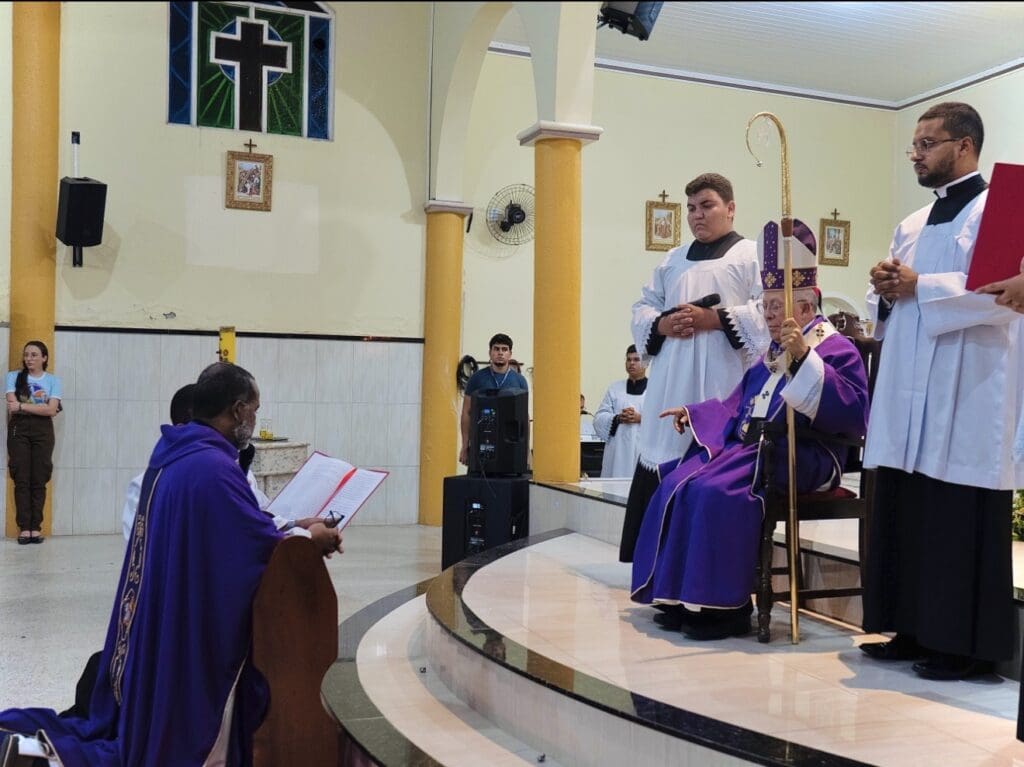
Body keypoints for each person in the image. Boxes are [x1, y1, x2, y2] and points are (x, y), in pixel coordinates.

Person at [0, 362, 342, 765]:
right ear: (237, 410)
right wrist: (310, 540)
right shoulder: (214, 469)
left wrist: (292, 526)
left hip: (166, 606)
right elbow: (253, 547)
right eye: (254, 409)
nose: (254, 418)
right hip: (190, 622)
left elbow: (239, 525)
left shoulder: (177, 455)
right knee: (178, 738)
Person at [630, 220, 868, 640]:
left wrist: (804, 360)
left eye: (778, 306)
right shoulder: (771, 352)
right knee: (678, 481)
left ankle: (725, 610)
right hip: (760, 448)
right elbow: (737, 404)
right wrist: (694, 411)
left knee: (715, 491)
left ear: (807, 308)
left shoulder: (836, 349)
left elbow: (852, 414)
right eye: (768, 306)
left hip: (804, 454)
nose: (770, 315)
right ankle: (680, 597)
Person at [860, 102, 1024, 681]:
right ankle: (909, 629)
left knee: (955, 516)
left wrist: (918, 286)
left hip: (970, 383)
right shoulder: (910, 223)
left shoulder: (1005, 206)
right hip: (908, 387)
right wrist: (884, 288)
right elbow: (889, 304)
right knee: (908, 507)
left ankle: (961, 646)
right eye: (915, 144)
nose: (916, 154)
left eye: (927, 144)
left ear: (965, 145)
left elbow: (1001, 294)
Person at [620, 172, 769, 562]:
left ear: (730, 208)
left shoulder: (750, 256)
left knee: (708, 467)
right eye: (690, 208)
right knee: (661, 454)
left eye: (706, 206)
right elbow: (642, 307)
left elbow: (767, 312)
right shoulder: (672, 259)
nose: (697, 215)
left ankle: (702, 565)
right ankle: (655, 565)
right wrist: (663, 324)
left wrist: (714, 319)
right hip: (670, 379)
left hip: (723, 381)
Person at [6, 340, 62, 545]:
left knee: (39, 477)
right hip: (18, 429)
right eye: (26, 355)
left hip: (43, 430)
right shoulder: (13, 377)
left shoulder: (53, 380)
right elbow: (11, 406)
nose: (29, 359)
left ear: (44, 358)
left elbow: (51, 410)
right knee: (21, 477)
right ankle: (24, 528)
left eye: (34, 355)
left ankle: (35, 527)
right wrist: (38, 408)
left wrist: (22, 405)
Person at [459, 333, 529, 466]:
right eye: (496, 349)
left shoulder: (519, 381)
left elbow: (524, 417)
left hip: (510, 444)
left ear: (510, 354)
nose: (500, 353)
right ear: (490, 353)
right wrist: (464, 446)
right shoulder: (476, 379)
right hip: (482, 442)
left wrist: (526, 451)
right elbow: (466, 413)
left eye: (504, 349)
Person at [593, 345, 648, 477]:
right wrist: (617, 418)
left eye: (636, 359)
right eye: (628, 359)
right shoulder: (615, 389)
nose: (631, 363)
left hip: (643, 450)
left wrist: (641, 418)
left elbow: (664, 420)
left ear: (646, 363)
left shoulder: (655, 389)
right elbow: (599, 417)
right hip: (617, 451)